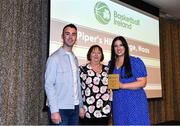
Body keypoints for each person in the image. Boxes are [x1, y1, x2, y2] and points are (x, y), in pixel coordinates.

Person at [45, 24, 84, 125]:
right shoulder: (54, 58)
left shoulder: (75, 58)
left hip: (75, 108)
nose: (70, 37)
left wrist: (80, 106)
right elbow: (49, 85)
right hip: (60, 109)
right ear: (62, 36)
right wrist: (54, 111)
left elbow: (77, 84)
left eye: (73, 34)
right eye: (67, 34)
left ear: (76, 37)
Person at [108, 36, 150, 125]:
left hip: (135, 102)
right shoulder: (110, 64)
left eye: (121, 45)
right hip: (118, 102)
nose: (118, 48)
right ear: (113, 48)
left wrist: (122, 85)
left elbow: (143, 82)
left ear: (125, 47)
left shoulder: (135, 62)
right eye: (115, 46)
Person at [79, 45, 111, 125]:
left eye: (99, 53)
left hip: (104, 111)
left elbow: (113, 88)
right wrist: (79, 107)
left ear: (102, 55)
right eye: (93, 52)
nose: (96, 55)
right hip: (87, 111)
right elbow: (77, 90)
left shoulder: (108, 69)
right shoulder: (82, 69)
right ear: (89, 54)